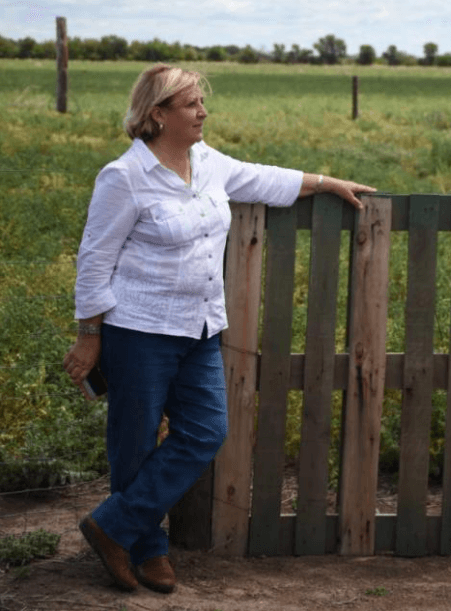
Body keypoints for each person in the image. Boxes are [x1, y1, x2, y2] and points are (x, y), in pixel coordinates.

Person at [63, 63, 376, 594]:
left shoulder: (208, 163)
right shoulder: (124, 177)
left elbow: (265, 179)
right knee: (133, 444)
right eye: (191, 104)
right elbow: (95, 260)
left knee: (206, 431)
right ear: (158, 114)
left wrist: (326, 182)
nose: (203, 112)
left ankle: (112, 527)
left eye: (201, 103)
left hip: (201, 326)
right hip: (139, 330)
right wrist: (90, 336)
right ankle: (147, 548)